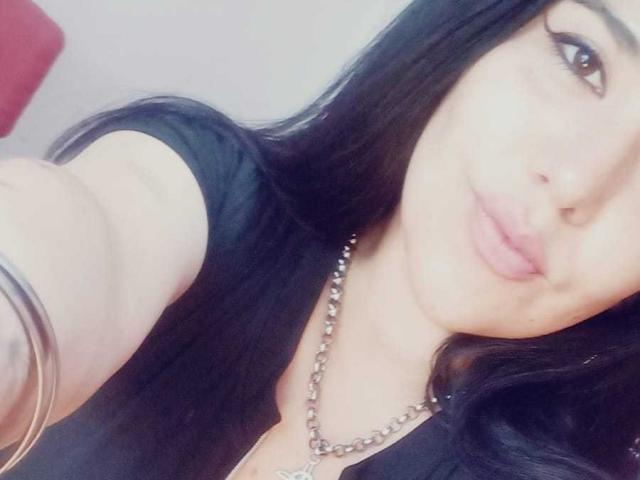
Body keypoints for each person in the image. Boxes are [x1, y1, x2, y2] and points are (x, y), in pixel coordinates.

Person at [0, 0, 639, 478]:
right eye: (581, 59)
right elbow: (89, 226)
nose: (575, 182)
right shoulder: (212, 190)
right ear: (477, 32)